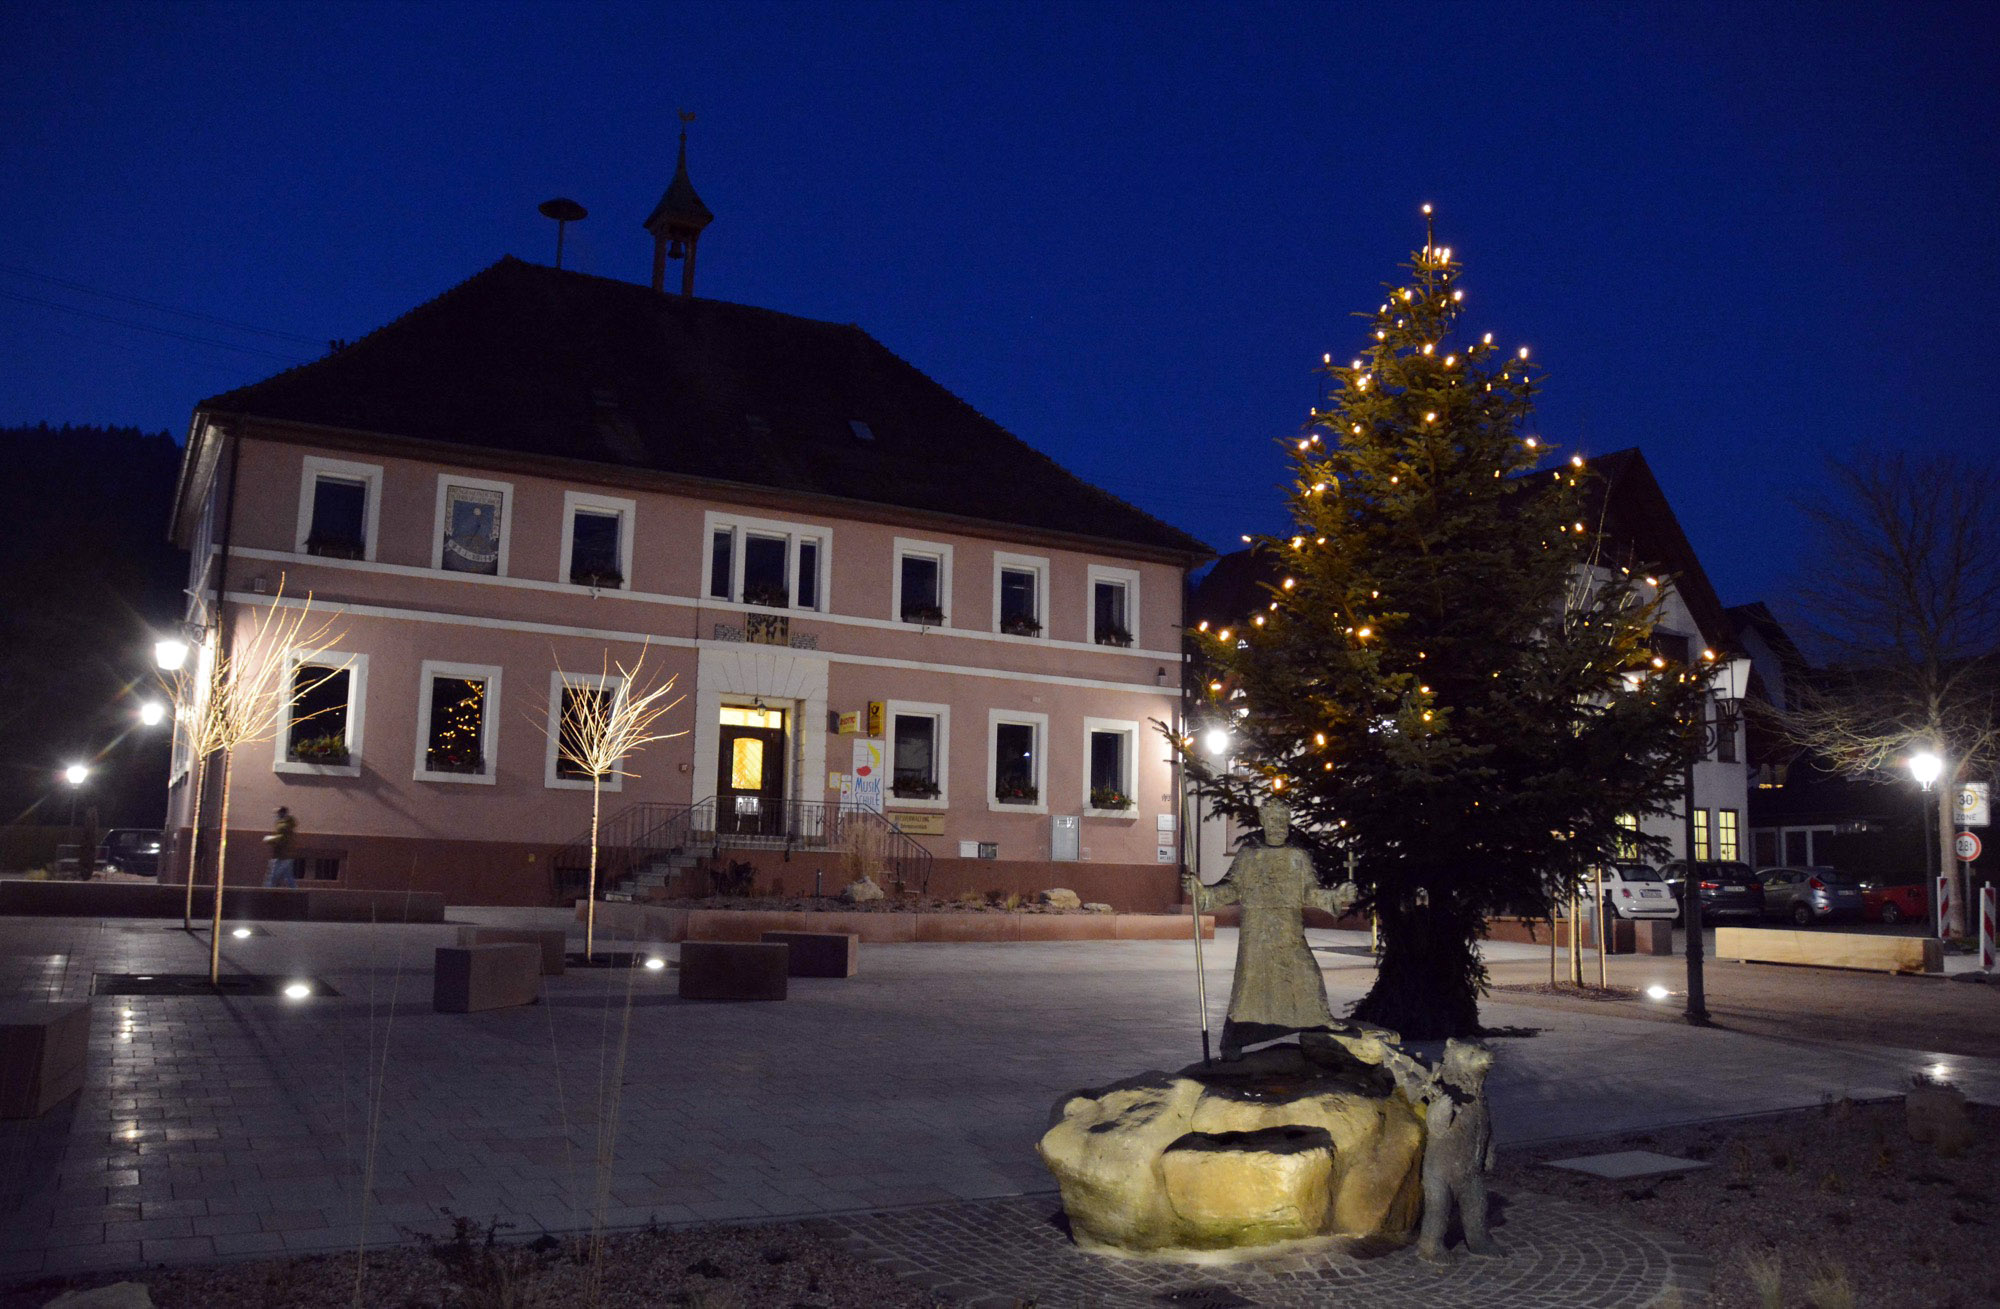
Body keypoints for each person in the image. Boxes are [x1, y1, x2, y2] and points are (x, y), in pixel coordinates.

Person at [264, 806, 299, 888]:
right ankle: (296, 893)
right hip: (285, 854)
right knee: (289, 877)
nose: (277, 814)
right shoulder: (286, 823)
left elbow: (282, 838)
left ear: (282, 813)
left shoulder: (285, 825)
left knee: (273, 876)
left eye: (278, 813)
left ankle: (267, 893)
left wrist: (270, 839)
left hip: (283, 854)